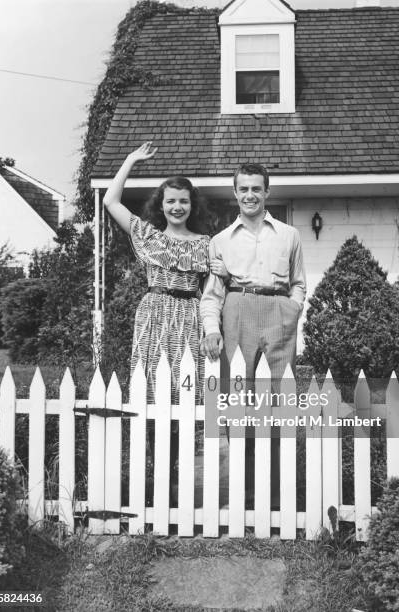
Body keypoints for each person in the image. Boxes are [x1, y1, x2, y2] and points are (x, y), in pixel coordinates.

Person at [200, 162, 306, 505]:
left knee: (278, 401)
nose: (250, 195)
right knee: (239, 402)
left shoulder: (290, 235)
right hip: (238, 311)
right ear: (235, 193)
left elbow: (299, 283)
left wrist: (292, 309)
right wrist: (212, 329)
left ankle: (275, 494)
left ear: (267, 192)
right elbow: (212, 295)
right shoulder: (220, 241)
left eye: (256, 188)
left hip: (278, 312)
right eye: (243, 189)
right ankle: (244, 493)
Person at [103, 142, 227, 404]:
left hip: (190, 316)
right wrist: (130, 160)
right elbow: (110, 201)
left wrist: (223, 272)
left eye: (183, 201)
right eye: (170, 201)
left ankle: (189, 441)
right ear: (161, 206)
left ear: (192, 205)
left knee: (189, 381)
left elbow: (212, 293)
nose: (177, 207)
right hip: (153, 312)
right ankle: (151, 443)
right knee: (150, 382)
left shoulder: (206, 243)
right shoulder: (149, 237)